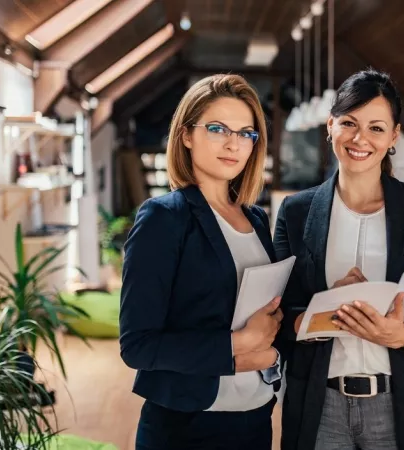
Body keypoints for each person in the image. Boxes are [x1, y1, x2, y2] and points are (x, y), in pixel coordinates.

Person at [273, 69, 404, 450]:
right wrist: (321, 311)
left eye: (376, 128)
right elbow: (277, 314)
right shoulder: (296, 212)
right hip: (319, 402)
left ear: (393, 136)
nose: (360, 139)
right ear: (330, 126)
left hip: (401, 401)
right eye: (349, 123)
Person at [120, 74, 283, 450]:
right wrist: (236, 346)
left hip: (256, 419)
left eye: (246, 133)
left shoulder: (256, 218)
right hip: (187, 426)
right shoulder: (164, 218)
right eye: (217, 128)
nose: (233, 143)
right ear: (187, 135)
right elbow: (137, 345)